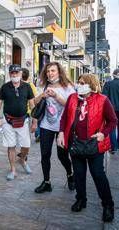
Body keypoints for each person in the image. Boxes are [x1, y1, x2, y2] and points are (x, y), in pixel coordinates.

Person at [57, 74, 116, 222]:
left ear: (91, 85)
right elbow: (64, 118)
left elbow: (113, 121)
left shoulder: (103, 100)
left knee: (98, 175)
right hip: (75, 143)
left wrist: (103, 133)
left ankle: (108, 205)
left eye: (82, 83)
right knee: (79, 174)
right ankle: (81, 199)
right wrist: (61, 133)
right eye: (78, 82)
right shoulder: (72, 98)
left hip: (93, 144)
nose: (79, 85)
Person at [34, 62, 75, 194]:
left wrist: (56, 96)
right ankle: (46, 182)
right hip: (46, 125)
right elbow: (34, 102)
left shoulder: (68, 87)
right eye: (48, 71)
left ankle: (70, 175)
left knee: (62, 155)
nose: (50, 73)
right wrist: (42, 95)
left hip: (62, 127)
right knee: (45, 154)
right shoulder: (43, 85)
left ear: (59, 72)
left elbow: (72, 106)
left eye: (53, 71)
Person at [0, 64, 37, 181]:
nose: (14, 75)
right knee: (11, 146)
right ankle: (13, 170)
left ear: (21, 74)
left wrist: (35, 122)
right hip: (8, 121)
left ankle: (22, 159)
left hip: (23, 121)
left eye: (16, 73)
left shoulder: (27, 87)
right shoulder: (5, 87)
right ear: (9, 74)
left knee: (26, 146)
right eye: (12, 73)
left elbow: (33, 105)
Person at [19, 68, 38, 161]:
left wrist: (35, 121)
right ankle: (22, 152)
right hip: (19, 114)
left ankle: (24, 155)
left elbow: (34, 102)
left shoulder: (30, 86)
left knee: (25, 137)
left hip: (27, 114)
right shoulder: (20, 85)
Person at [102, 68, 119, 154]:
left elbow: (103, 97)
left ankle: (114, 147)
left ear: (114, 74)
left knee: (112, 127)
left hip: (111, 109)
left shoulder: (108, 84)